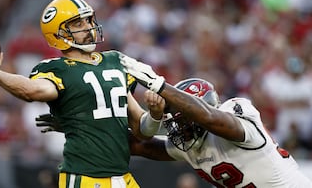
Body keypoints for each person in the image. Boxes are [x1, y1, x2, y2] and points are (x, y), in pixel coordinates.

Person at [0, 0, 164, 188]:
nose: (88, 27)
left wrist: (154, 115)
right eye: (78, 24)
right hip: (85, 177)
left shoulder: (114, 61)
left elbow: (142, 131)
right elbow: (31, 91)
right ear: (58, 34)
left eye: (88, 20)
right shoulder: (58, 69)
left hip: (123, 176)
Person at [119, 54, 312, 188]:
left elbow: (210, 118)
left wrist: (158, 84)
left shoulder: (237, 111)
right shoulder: (190, 145)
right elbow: (139, 145)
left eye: (183, 119)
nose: (179, 128)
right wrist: (117, 93)